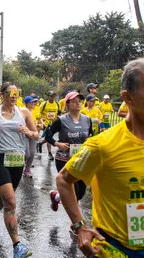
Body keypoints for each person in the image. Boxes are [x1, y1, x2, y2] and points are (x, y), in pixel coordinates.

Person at [56, 57, 144, 257]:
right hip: (115, 249)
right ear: (128, 98)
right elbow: (63, 180)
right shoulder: (102, 146)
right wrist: (80, 226)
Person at [0, 82, 38, 258]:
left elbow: (36, 134)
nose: (14, 95)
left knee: (6, 199)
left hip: (17, 160)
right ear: (1, 94)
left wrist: (28, 132)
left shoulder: (24, 112)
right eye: (10, 92)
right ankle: (17, 245)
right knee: (11, 201)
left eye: (16, 93)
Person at [44, 91, 91, 219]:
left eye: (80, 100)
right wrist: (58, 144)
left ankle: (57, 197)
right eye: (74, 101)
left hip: (81, 160)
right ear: (67, 104)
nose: (78, 103)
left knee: (81, 192)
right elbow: (47, 135)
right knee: (74, 190)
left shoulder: (87, 120)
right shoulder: (61, 120)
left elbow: (90, 136)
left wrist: (88, 141)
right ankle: (76, 222)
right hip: (63, 159)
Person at [23, 96, 43, 178]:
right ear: (26, 103)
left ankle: (27, 170)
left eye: (34, 102)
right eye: (31, 102)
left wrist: (40, 124)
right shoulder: (23, 112)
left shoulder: (36, 110)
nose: (33, 103)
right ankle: (20, 166)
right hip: (25, 134)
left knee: (32, 153)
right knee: (27, 154)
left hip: (34, 134)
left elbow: (39, 119)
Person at [37, 91, 60, 160]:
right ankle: (49, 153)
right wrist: (42, 121)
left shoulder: (57, 104)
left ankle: (40, 144)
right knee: (49, 137)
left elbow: (59, 113)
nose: (52, 97)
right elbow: (39, 112)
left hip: (54, 124)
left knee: (48, 138)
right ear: (48, 96)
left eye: (53, 96)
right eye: (50, 96)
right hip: (46, 124)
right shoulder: (44, 104)